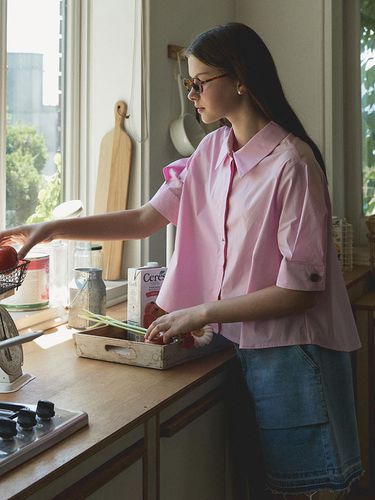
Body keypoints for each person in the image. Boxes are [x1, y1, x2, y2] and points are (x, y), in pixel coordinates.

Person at [0, 22, 363, 499]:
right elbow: (144, 219)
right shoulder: (211, 152)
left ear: (240, 78)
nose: (192, 95)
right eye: (187, 84)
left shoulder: (292, 164)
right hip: (236, 349)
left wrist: (201, 311)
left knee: (305, 491)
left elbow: (299, 291)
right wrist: (52, 228)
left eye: (198, 83)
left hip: (293, 355)